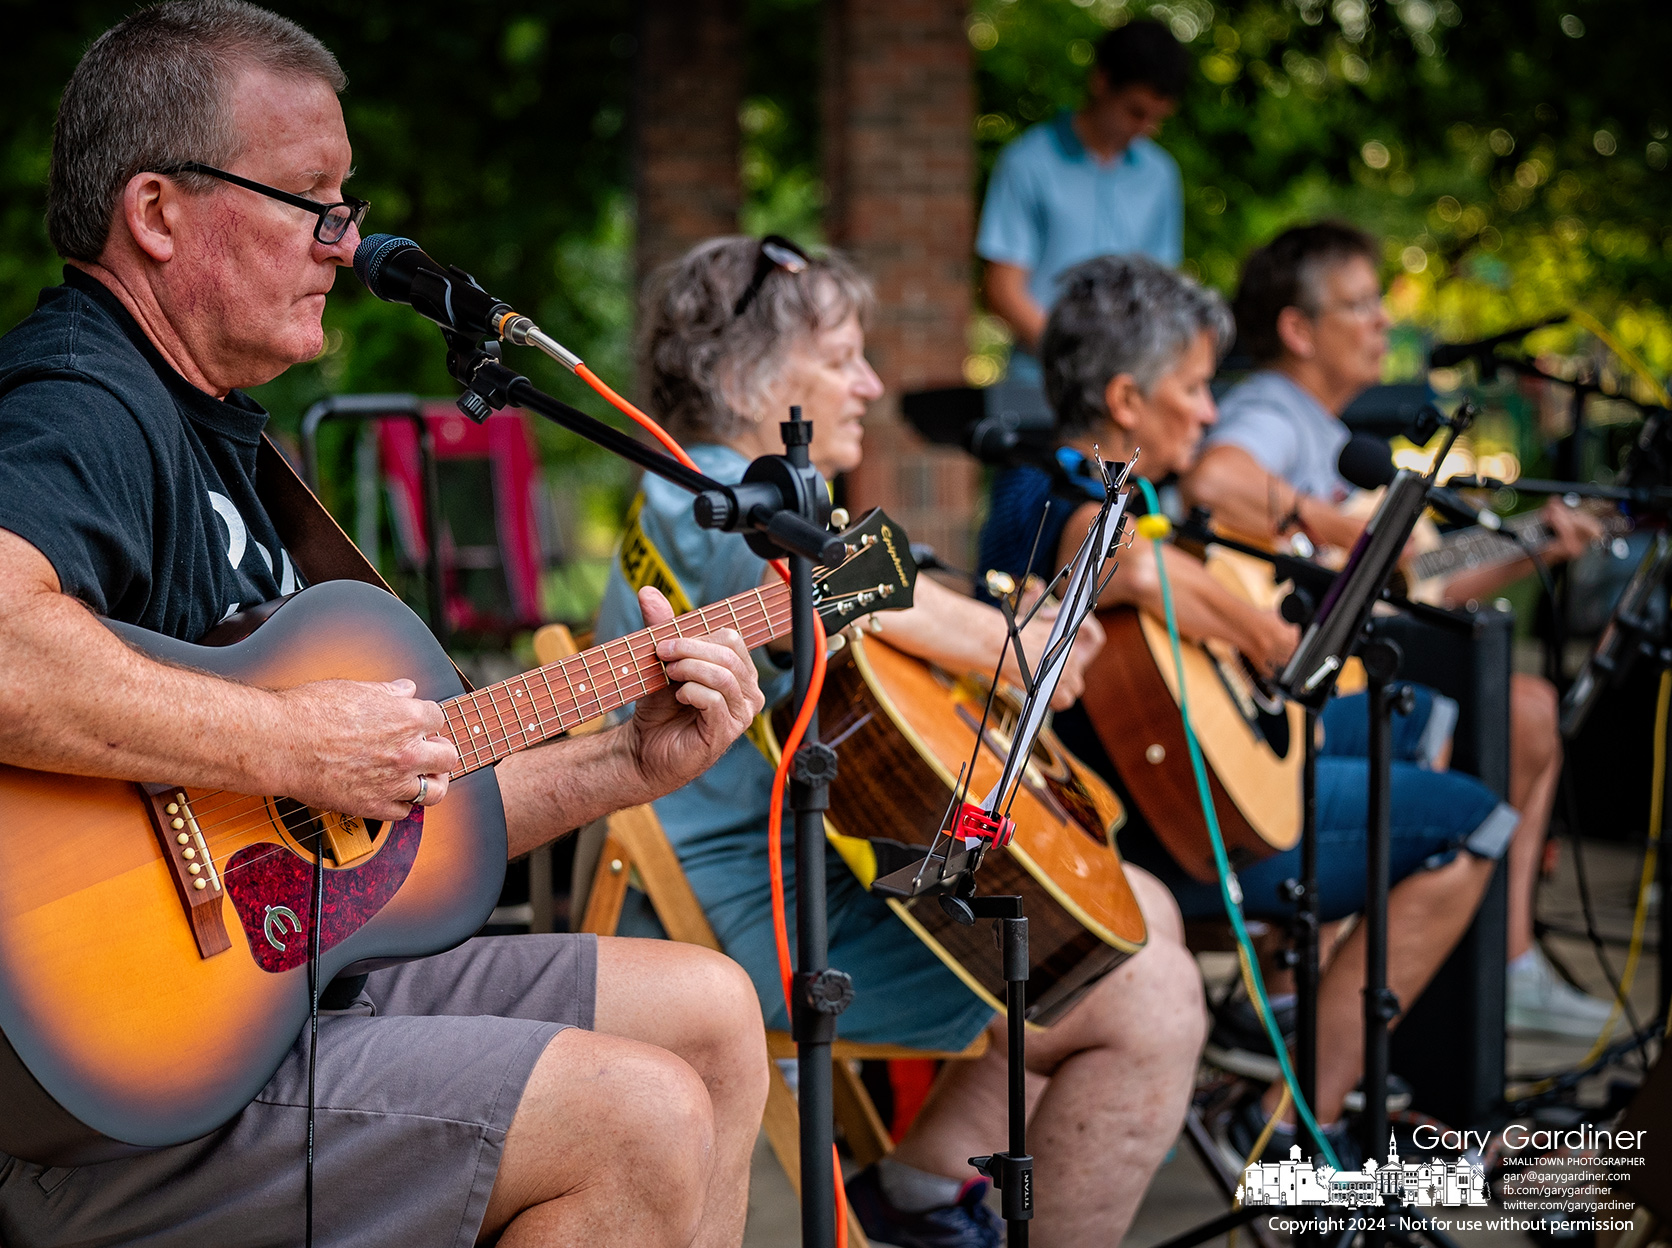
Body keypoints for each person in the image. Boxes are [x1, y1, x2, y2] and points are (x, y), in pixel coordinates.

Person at [0, 2, 774, 1246]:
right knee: (635, 1114)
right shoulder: (81, 400)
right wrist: (286, 744)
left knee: (714, 1016)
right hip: (101, 1104)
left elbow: (368, 845)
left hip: (276, 993)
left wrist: (623, 762)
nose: (348, 246)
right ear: (158, 211)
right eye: (313, 200)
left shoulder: (213, 430)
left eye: (346, 206)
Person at [593, 235, 1206, 1248]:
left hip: (756, 878)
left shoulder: (692, 485)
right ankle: (930, 1192)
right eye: (842, 357)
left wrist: (1005, 639)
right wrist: (1023, 648)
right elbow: (839, 584)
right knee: (1151, 993)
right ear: (752, 376)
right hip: (738, 918)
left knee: (1142, 911)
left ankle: (922, 1191)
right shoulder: (729, 506)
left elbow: (878, 577)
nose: (871, 382)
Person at [973, 253, 1520, 1160]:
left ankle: (1297, 1027)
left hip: (1184, 786)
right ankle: (1299, 1121)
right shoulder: (1060, 491)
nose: (1210, 410)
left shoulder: (1108, 485)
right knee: (1476, 825)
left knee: (1407, 717)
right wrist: (1267, 641)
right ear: (1124, 400)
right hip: (1158, 830)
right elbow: (1127, 566)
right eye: (1192, 388)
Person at [1180, 221, 1611, 1039]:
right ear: (1298, 330)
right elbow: (1217, 477)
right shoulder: (1273, 409)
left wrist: (1535, 542)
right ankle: (1358, 981)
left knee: (1514, 708)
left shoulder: (1329, 432)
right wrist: (1337, 529)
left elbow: (1414, 582)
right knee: (1508, 713)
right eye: (1359, 304)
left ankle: (1400, 975)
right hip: (1282, 699)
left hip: (1310, 692)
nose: (1383, 321)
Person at [976, 18, 1189, 384]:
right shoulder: (1028, 162)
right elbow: (1001, 289)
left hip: (1128, 384)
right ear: (1102, 82)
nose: (1145, 130)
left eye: (1157, 119)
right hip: (1040, 380)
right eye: (1136, 112)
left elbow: (1161, 291)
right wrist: (1074, 361)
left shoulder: (1160, 174)